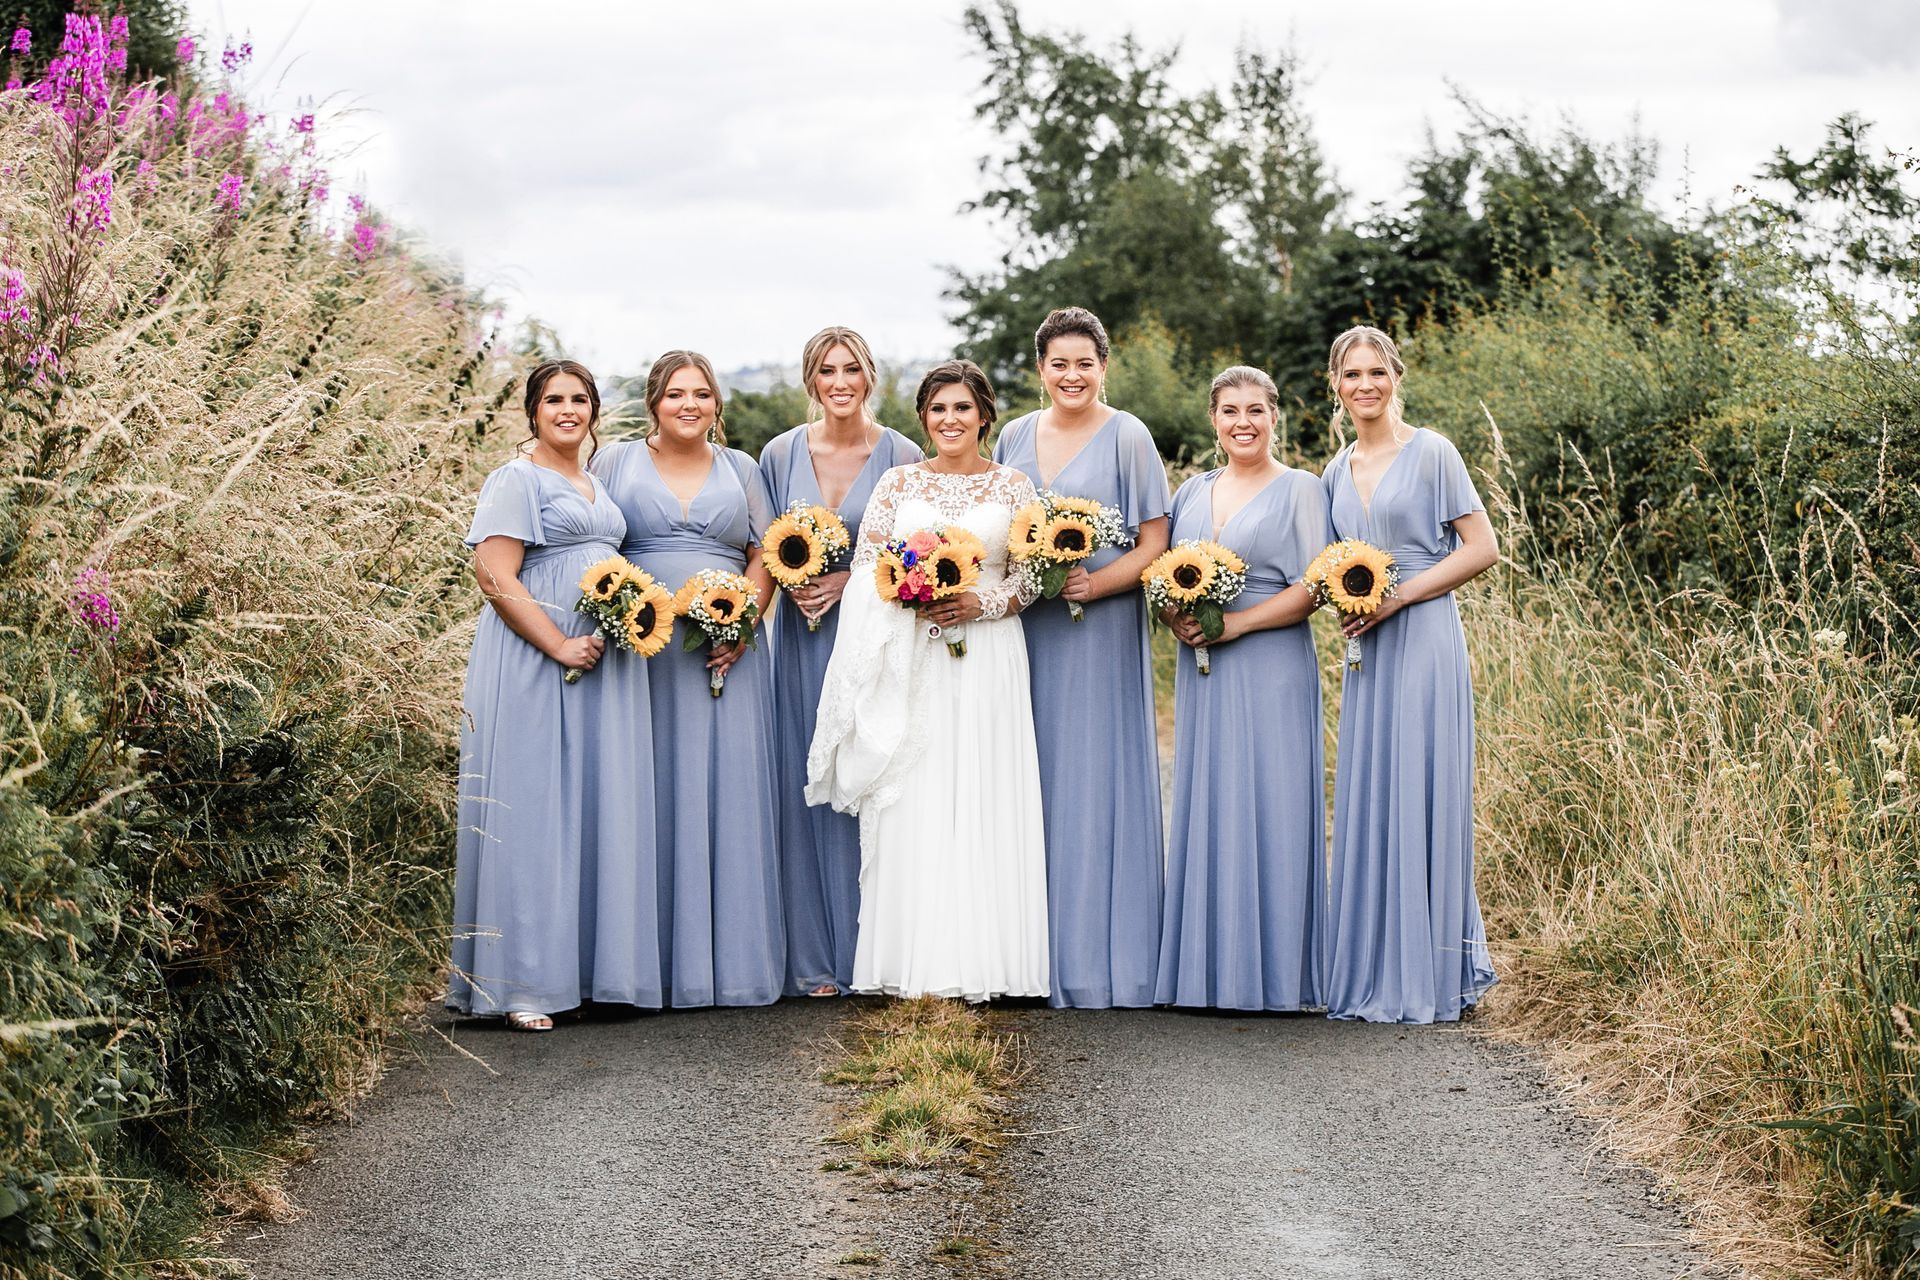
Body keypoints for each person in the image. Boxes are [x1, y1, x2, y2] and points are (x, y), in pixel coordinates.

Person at [806, 360, 1048, 1001]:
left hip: (989, 654)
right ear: (923, 418)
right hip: (914, 654)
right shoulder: (898, 482)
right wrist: (908, 591)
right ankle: (914, 957)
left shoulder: (1014, 486)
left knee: (984, 787)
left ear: (985, 415)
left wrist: (980, 603)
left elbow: (1029, 579)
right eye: (938, 409)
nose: (950, 419)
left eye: (963, 408)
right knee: (917, 792)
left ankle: (989, 960)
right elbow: (867, 568)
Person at [449, 358, 657, 1031]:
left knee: (591, 807)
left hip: (601, 665)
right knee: (535, 809)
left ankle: (588, 974)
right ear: (533, 412)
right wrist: (559, 643)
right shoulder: (517, 478)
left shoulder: (594, 483)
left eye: (579, 400)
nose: (568, 411)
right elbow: (494, 574)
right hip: (537, 660)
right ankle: (524, 986)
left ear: (593, 411)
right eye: (553, 400)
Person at [589, 351, 784, 1007]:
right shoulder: (614, 462)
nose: (689, 404)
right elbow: (595, 545)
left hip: (722, 651)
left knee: (726, 789)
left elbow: (763, 553)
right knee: (643, 789)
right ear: (654, 401)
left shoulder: (742, 468)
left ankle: (728, 964)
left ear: (716, 404)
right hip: (640, 650)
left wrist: (742, 624)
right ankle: (640, 965)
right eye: (676, 393)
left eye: (701, 393)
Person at [1320, 325, 1500, 1024]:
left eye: (1376, 372)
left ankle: (1432, 968)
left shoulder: (1433, 452)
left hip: (1423, 637)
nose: (1365, 385)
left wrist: (1399, 598)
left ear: (1396, 377)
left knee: (1422, 789)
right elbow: (1333, 562)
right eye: (1351, 374)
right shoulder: (1335, 471)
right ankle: (1375, 965)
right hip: (1367, 648)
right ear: (1336, 386)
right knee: (1374, 792)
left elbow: (1481, 548)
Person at [993, 307, 1170, 1009]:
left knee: (1095, 776)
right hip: (1029, 630)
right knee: (1029, 775)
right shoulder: (1013, 435)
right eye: (1059, 364)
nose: (1072, 376)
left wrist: (1096, 584)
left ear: (1104, 366)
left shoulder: (1128, 435)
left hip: (1100, 627)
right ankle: (1025, 957)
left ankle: (1103, 957)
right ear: (1040, 369)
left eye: (1084, 364)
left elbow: (1155, 540)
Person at [1155, 366, 1330, 1011]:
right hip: (1204, 667)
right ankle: (1208, 972)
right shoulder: (1191, 492)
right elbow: (1164, 572)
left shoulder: (1302, 490)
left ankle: (1277, 976)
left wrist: (1238, 624)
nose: (1243, 423)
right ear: (1214, 420)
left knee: (1272, 800)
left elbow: (1315, 586)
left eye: (1255, 410)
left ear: (1274, 416)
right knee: (1212, 798)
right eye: (1230, 411)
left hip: (1271, 661)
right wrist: (1174, 615)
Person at [759, 327, 923, 997]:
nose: (840, 382)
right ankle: (812, 957)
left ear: (869, 376)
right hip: (801, 641)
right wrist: (788, 584)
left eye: (851, 369)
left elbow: (918, 557)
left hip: (871, 640)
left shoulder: (903, 455)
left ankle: (874, 950)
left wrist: (850, 581)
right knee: (804, 777)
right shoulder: (778, 454)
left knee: (871, 773)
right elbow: (763, 546)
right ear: (811, 380)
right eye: (827, 371)